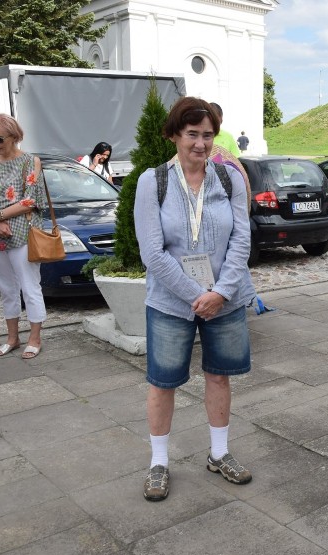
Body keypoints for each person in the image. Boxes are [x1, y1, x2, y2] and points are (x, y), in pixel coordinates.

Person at [135, 96, 255, 501]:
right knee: (162, 381)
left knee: (219, 374)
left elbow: (242, 238)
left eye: (207, 134)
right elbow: (152, 252)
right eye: (192, 134)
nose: (201, 143)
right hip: (171, 301)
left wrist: (220, 292)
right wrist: (196, 295)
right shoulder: (153, 181)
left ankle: (219, 453)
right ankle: (158, 462)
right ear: (173, 135)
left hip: (225, 298)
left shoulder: (229, 179)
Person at [0, 114, 48, 360]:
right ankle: (12, 337)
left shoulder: (29, 162)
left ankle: (35, 337)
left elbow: (30, 201)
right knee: (6, 288)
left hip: (22, 233)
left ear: (15, 137)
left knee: (30, 286)